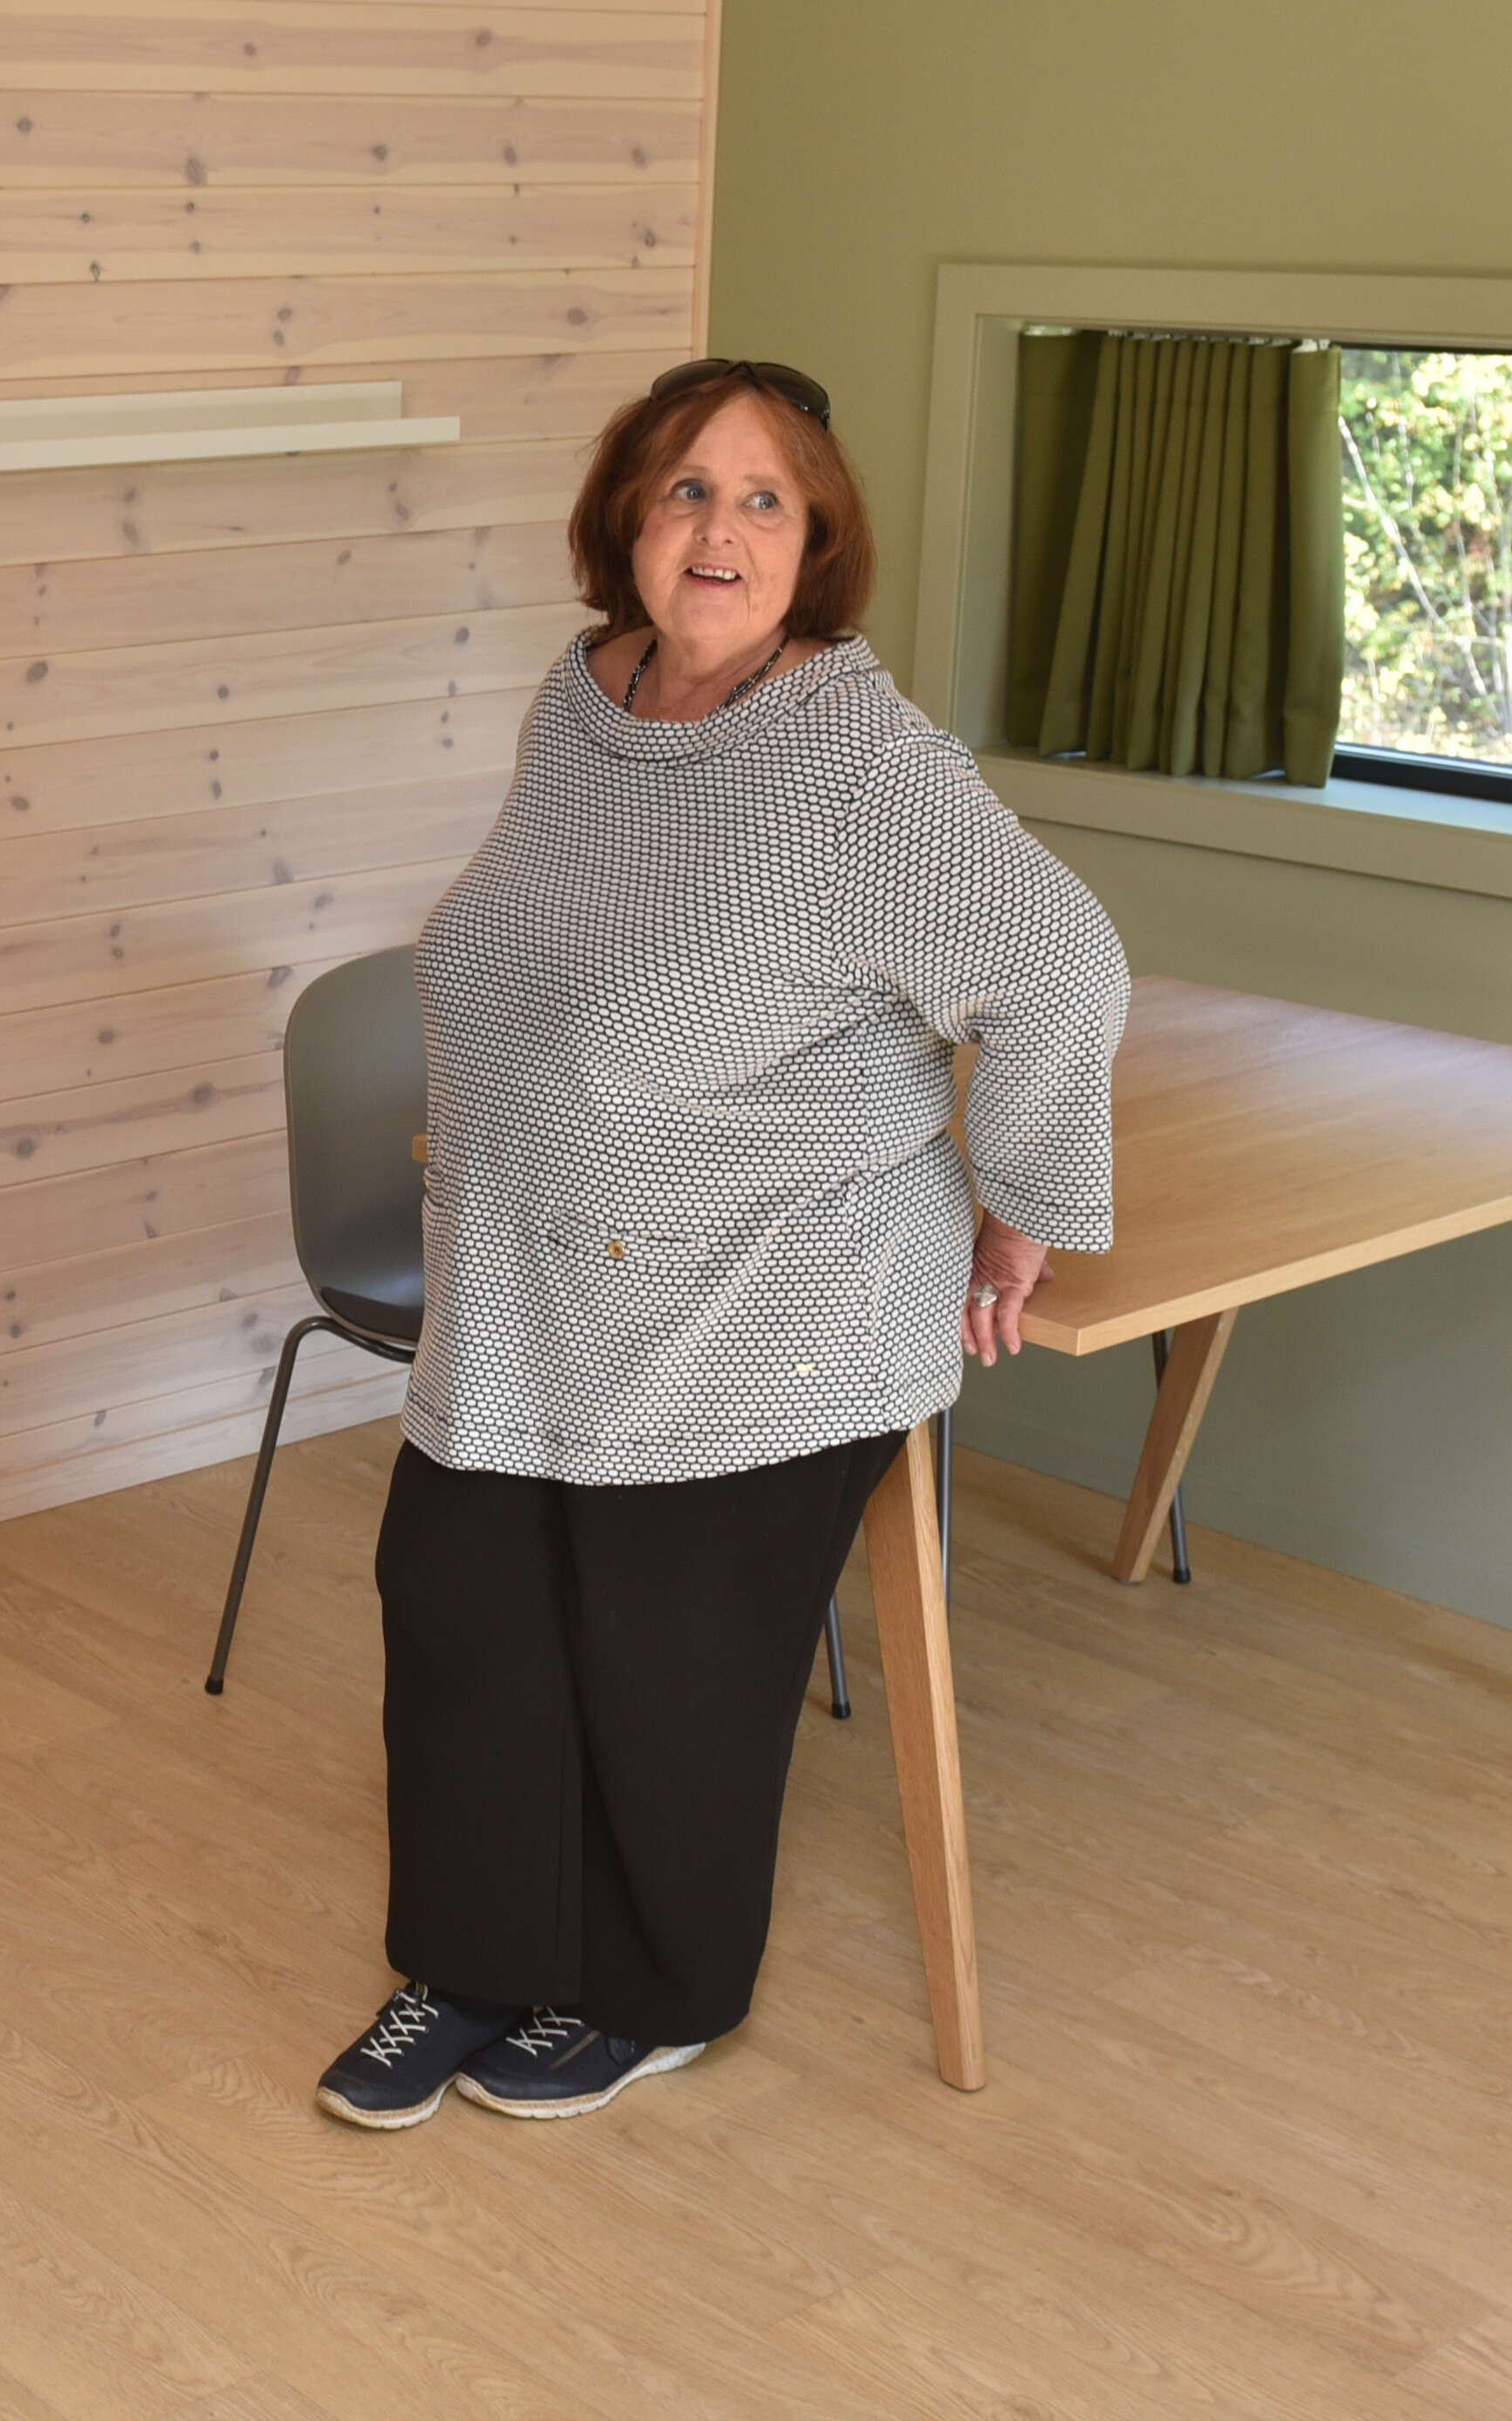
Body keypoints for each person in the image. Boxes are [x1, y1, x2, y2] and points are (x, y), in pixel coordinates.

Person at [314, 358, 1132, 2129]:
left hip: (764, 1306)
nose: (719, 528)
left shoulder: (856, 765)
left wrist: (1022, 1201)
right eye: (686, 486)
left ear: (814, 541)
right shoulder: (587, 698)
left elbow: (1060, 965)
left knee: (659, 1659)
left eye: (765, 498)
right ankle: (469, 1963)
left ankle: (653, 1993)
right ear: (625, 513)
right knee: (462, 1612)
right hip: (530, 1283)